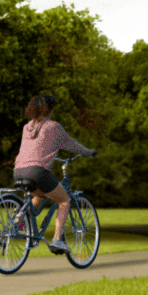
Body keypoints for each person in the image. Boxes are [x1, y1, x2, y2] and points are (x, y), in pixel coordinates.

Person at [12, 94, 96, 255]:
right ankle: (57, 239)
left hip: (18, 171)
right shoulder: (53, 127)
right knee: (64, 200)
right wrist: (88, 152)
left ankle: (20, 221)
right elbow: (72, 144)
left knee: (40, 195)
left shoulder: (26, 127)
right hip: (37, 171)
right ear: (50, 110)